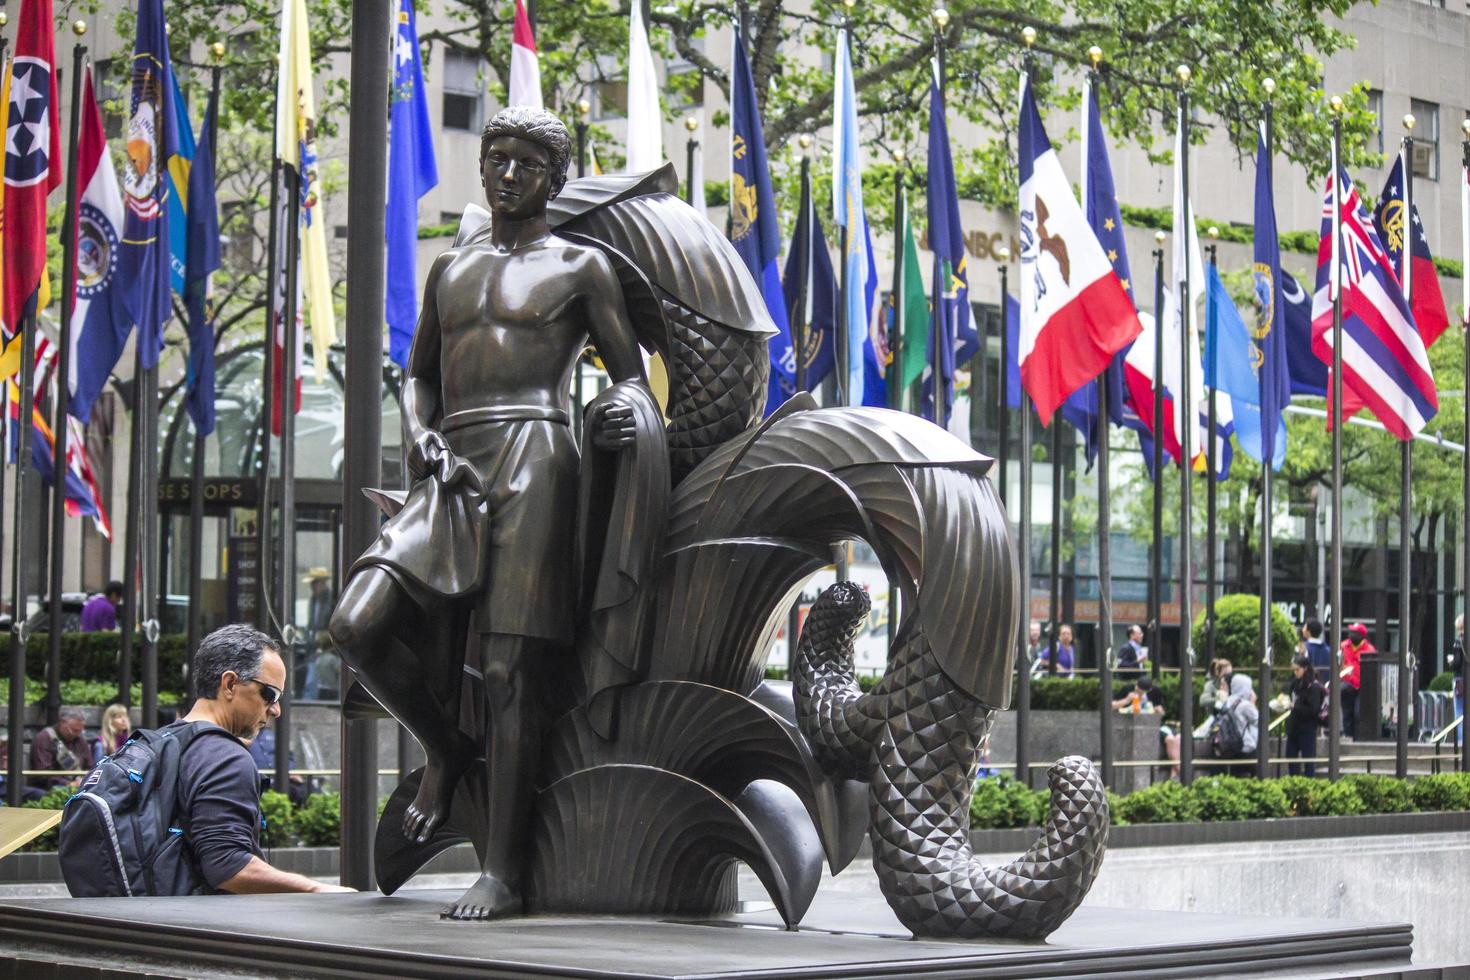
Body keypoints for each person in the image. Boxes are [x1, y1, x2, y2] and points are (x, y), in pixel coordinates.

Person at [329, 106, 647, 921]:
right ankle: (447, 744)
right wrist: (417, 432)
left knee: (512, 670)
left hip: (537, 457)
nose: (508, 175)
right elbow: (419, 374)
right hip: (450, 465)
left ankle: (501, 870)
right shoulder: (451, 268)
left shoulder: (582, 267)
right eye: (497, 158)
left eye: (527, 164)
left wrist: (625, 412)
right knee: (355, 625)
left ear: (556, 178)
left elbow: (632, 377)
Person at [172, 624, 351, 895]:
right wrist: (316, 889)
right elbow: (227, 865)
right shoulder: (225, 757)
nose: (276, 710)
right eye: (271, 694)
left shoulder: (157, 743)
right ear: (230, 684)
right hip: (192, 929)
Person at [28, 708, 94, 791]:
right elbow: (42, 773)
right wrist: (68, 784)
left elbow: (90, 766)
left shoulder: (80, 741)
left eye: (80, 731)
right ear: (62, 722)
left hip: (79, 786)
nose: (77, 734)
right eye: (74, 730)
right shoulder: (44, 738)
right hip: (48, 789)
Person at [1283, 654, 1325, 776]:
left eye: (1298, 669)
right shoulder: (1294, 684)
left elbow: (1313, 710)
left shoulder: (1313, 687)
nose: (1295, 673)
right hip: (1294, 726)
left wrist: (1295, 707)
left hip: (1307, 727)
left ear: (1305, 668)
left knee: (1308, 759)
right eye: (1294, 670)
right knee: (1291, 757)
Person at [1341, 622, 1373, 739]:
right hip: (1347, 685)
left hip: (1362, 686)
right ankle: (1348, 736)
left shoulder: (1369, 649)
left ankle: (1359, 738)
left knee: (1359, 713)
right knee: (1347, 713)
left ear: (1361, 635)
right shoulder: (1343, 646)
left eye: (1354, 633)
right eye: (1350, 632)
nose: (1351, 635)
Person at [1301, 619, 1331, 683]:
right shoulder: (1328, 649)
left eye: (1304, 627)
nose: (1302, 630)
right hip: (1327, 686)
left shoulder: (1302, 648)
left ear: (1308, 631)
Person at [1448, 614, 1465, 724]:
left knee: (1459, 711)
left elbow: (1457, 662)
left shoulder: (1458, 642)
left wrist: (1451, 662)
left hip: (1460, 679)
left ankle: (1460, 739)